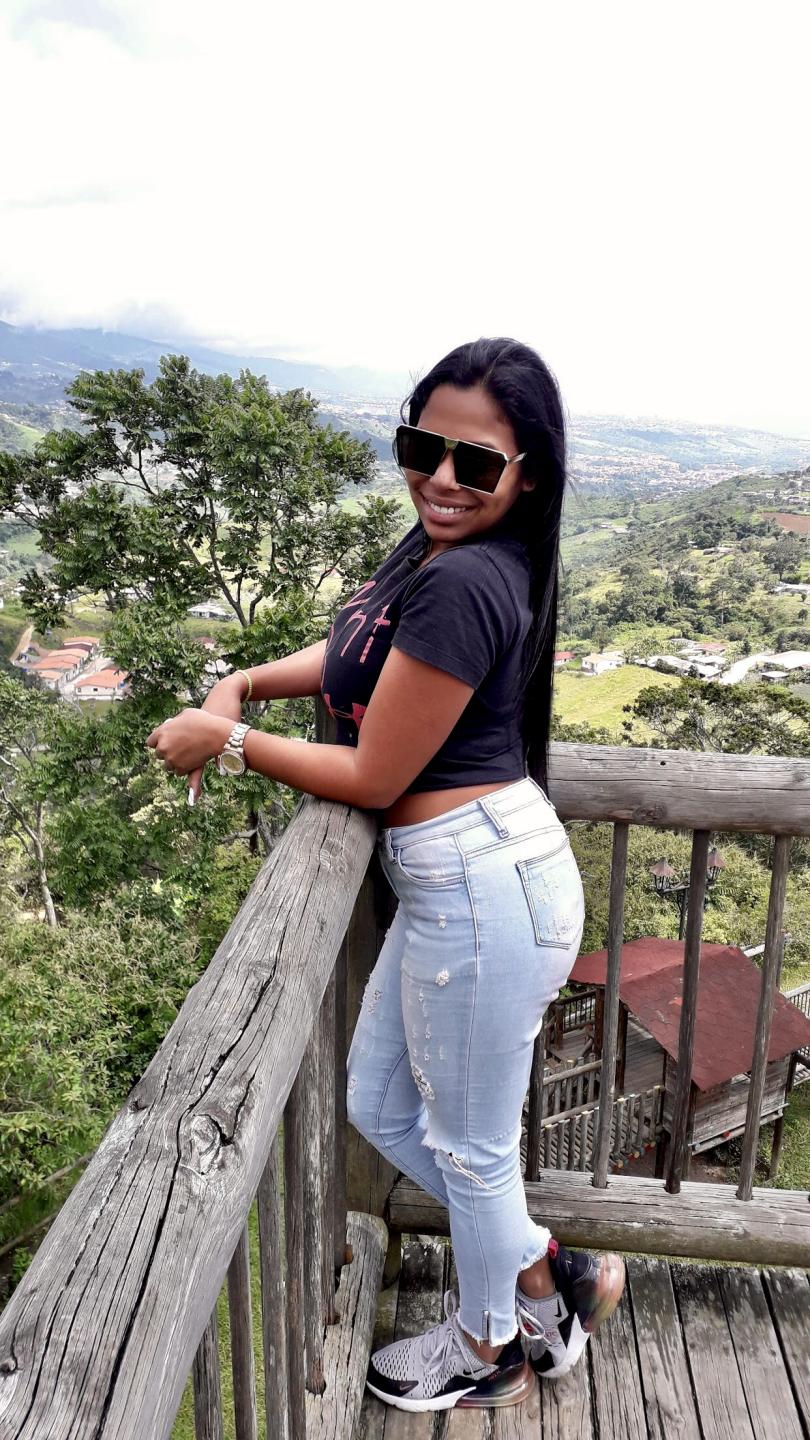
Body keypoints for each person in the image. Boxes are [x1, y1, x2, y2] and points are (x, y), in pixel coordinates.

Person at [146, 336, 625, 1413]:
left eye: (476, 462)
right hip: (460, 882)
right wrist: (243, 682)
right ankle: (554, 1273)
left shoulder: (468, 580)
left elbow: (374, 772)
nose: (442, 478)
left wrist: (226, 742)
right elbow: (360, 656)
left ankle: (492, 1346)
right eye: (423, 449)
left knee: (472, 1149)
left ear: (528, 475)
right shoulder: (436, 555)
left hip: (482, 885)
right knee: (378, 1102)